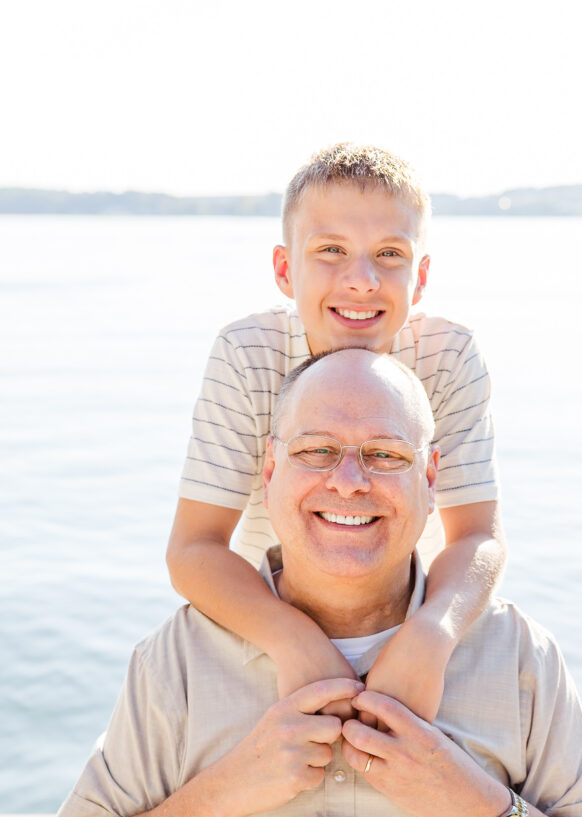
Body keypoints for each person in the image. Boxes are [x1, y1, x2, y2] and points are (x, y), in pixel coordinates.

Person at [57, 349, 582, 817]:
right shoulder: (179, 658)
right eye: (317, 450)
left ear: (430, 477)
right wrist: (225, 791)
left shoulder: (514, 655)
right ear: (269, 471)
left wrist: (473, 804)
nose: (349, 480)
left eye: (385, 455)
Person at [166, 142, 505, 724]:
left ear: (420, 277)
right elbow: (193, 551)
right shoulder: (248, 355)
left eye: (390, 253)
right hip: (266, 621)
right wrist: (291, 639)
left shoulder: (448, 355)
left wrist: (432, 633)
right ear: (284, 269)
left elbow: (478, 536)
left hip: (405, 627)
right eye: (330, 250)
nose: (362, 280)